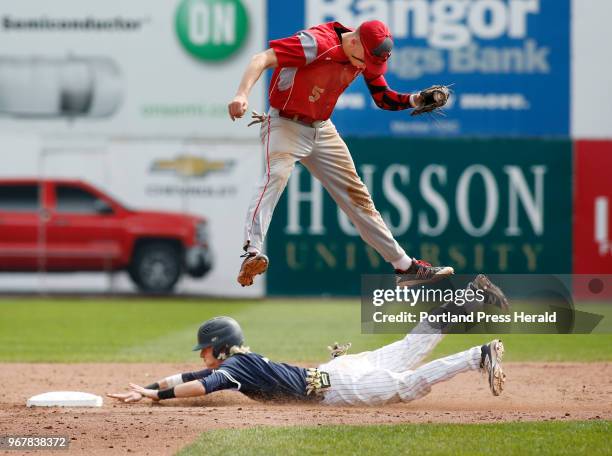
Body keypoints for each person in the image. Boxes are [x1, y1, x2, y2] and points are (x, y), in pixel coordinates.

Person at [227, 20, 454, 288]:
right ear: (354, 39)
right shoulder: (316, 43)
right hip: (285, 124)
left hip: (322, 128)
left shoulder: (364, 54)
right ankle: (251, 252)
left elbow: (383, 98)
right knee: (275, 176)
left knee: (358, 197)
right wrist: (242, 95)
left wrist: (414, 100)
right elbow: (261, 58)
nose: (365, 66)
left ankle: (405, 267)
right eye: (365, 59)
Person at [108, 275, 509, 406]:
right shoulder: (238, 362)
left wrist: (157, 398)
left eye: (207, 349)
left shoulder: (231, 370)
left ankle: (479, 355)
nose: (204, 356)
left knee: (408, 386)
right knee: (409, 347)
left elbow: (198, 385)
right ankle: (472, 295)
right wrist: (148, 388)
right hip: (335, 372)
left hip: (337, 384)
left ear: (222, 346)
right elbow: (187, 374)